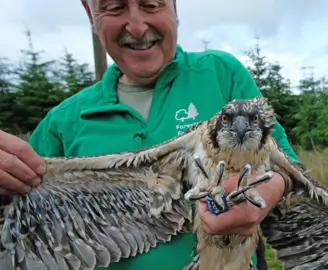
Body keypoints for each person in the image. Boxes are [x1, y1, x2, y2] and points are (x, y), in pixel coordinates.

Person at [0, 0, 301, 269]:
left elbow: (289, 166)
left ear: (175, 7)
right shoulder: (63, 122)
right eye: (115, 7)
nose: (137, 26)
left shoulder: (221, 74)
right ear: (89, 12)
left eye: (151, 4)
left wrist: (273, 186)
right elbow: (19, 216)